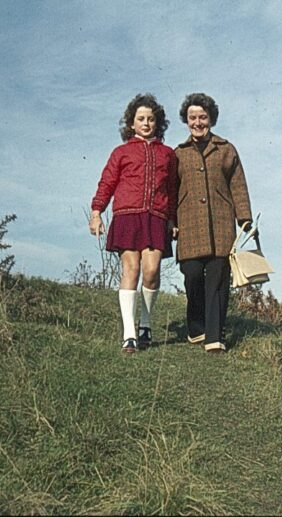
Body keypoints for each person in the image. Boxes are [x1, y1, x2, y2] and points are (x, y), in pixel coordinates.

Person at [89, 93, 179, 353]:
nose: (146, 123)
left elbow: (171, 189)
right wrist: (97, 212)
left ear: (157, 123)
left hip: (156, 216)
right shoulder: (121, 152)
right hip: (127, 215)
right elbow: (107, 182)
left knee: (151, 271)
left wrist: (172, 218)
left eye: (151, 119)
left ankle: (146, 324)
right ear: (131, 123)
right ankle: (129, 334)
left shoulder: (167, 154)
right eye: (141, 119)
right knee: (131, 269)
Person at [173, 93, 253, 353]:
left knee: (218, 278)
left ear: (211, 119)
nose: (198, 122)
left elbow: (238, 185)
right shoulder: (178, 154)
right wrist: (170, 223)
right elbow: (169, 191)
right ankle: (196, 327)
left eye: (203, 117)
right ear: (186, 121)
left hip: (220, 224)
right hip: (188, 224)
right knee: (193, 275)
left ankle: (215, 336)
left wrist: (245, 218)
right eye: (192, 117)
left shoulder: (226, 149)